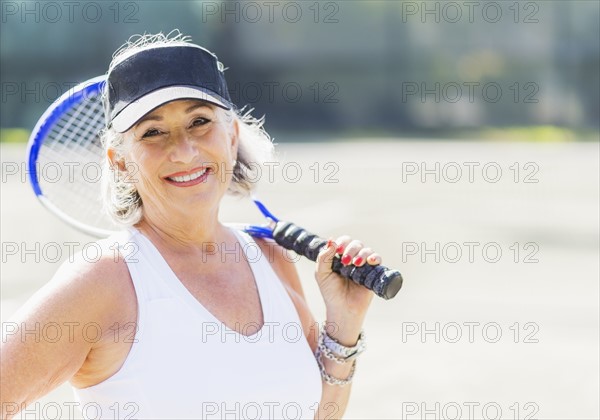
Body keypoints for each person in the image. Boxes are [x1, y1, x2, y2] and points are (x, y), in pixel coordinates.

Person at [1, 32, 383, 419]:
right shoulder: (102, 281)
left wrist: (343, 326)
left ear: (232, 136)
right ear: (119, 161)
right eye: (152, 132)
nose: (183, 150)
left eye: (199, 121)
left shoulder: (272, 259)